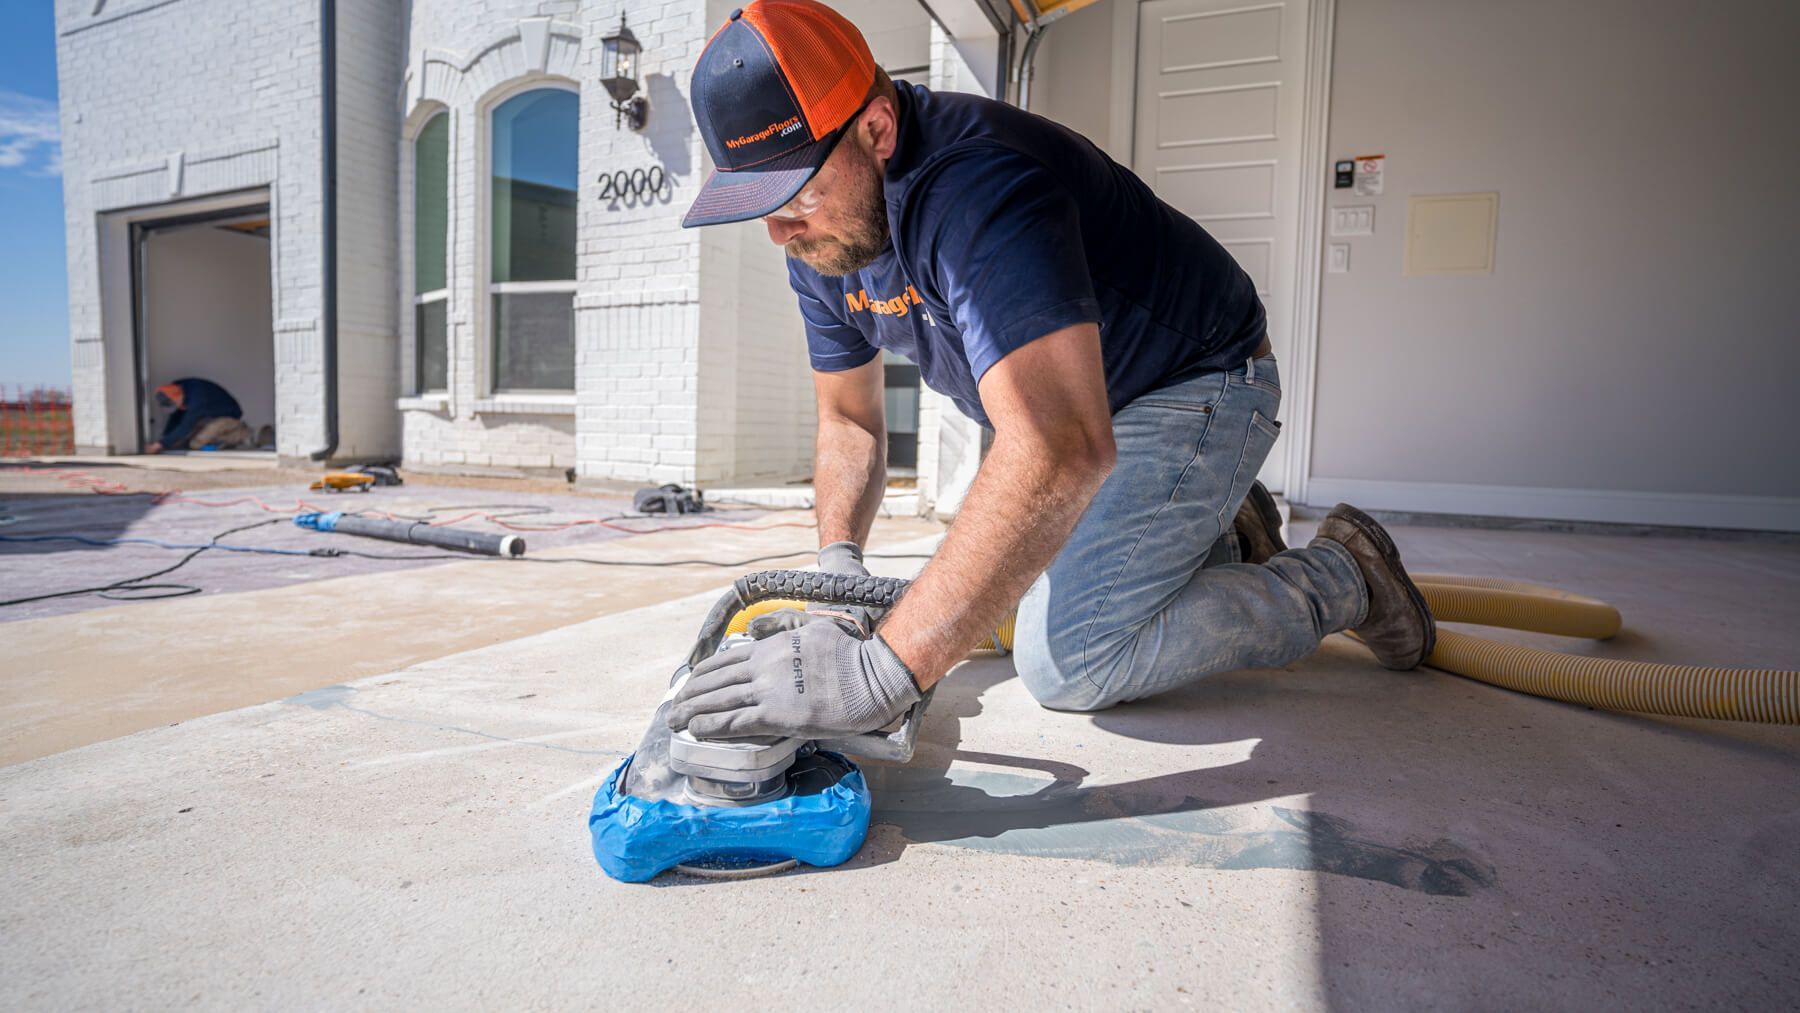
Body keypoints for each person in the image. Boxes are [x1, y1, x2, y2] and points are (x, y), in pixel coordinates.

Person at [665, 0, 1435, 741]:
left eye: (794, 194)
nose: (776, 230)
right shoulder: (821, 241)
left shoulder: (977, 188)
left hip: (1196, 382)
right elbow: (849, 418)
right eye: (755, 202)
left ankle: (1345, 573)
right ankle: (1219, 539)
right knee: (984, 595)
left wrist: (879, 676)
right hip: (1087, 415)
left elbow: (1059, 446)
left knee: (1069, 656)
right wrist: (836, 581)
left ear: (876, 128)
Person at [146, 378, 253, 454]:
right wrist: (164, 437)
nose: (172, 407)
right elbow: (175, 418)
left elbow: (185, 426)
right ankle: (225, 437)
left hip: (228, 417)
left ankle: (242, 433)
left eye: (172, 404)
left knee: (196, 443)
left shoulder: (197, 399)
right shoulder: (178, 389)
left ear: (179, 397)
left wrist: (159, 445)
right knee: (182, 441)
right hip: (207, 417)